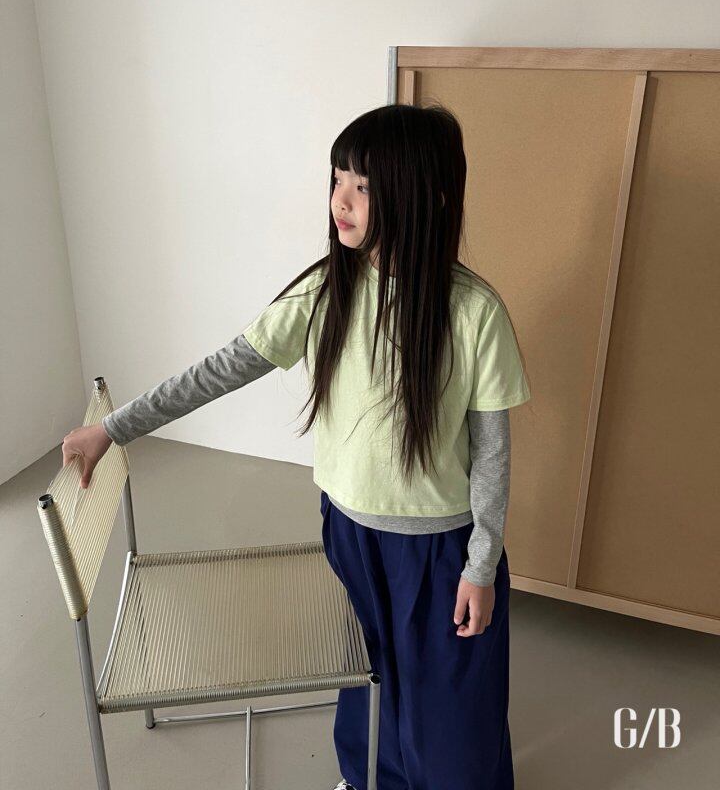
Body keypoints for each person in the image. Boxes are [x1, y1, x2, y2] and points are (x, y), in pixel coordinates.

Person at [62, 102, 531, 790]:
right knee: (365, 674)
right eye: (338, 178)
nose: (341, 200)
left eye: (364, 186)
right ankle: (370, 778)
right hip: (349, 531)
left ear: (423, 195)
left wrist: (480, 566)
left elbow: (492, 454)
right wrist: (114, 427)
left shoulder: (473, 311)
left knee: (452, 699)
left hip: (438, 549)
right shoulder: (325, 291)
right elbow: (220, 369)